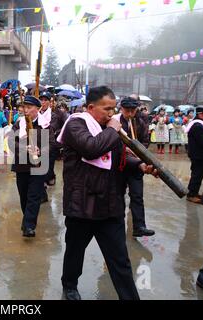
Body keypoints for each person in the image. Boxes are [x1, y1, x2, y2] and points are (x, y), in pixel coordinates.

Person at [58, 86, 158, 300]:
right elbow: (92, 148)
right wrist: (112, 130)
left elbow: (119, 157)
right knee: (75, 252)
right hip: (82, 205)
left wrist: (139, 165)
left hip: (110, 206)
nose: (112, 114)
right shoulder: (76, 124)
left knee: (120, 261)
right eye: (107, 109)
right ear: (91, 107)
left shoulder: (110, 129)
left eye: (114, 109)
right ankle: (69, 286)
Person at [113, 97, 155, 237]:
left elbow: (145, 141)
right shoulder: (115, 121)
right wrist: (124, 150)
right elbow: (111, 141)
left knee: (137, 196)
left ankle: (139, 226)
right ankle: (116, 225)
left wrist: (139, 150)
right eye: (127, 111)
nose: (130, 114)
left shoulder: (141, 123)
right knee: (118, 195)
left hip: (137, 165)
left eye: (133, 110)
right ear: (121, 109)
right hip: (120, 165)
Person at [8, 95, 48, 237]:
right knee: (24, 195)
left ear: (38, 109)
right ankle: (27, 219)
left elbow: (53, 144)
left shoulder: (45, 124)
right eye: (24, 107)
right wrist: (23, 148)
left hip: (39, 166)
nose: (26, 110)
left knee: (34, 196)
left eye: (29, 107)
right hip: (22, 165)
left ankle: (29, 226)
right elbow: (11, 141)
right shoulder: (19, 123)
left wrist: (40, 150)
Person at [185, 105, 203, 203]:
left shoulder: (200, 124)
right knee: (197, 174)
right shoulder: (198, 126)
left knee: (198, 174)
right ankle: (191, 195)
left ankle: (194, 192)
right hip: (197, 154)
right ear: (201, 114)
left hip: (199, 154)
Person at [38, 91, 55, 201]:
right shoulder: (36, 113)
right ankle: (43, 194)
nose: (43, 102)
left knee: (46, 170)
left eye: (45, 100)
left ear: (50, 102)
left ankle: (51, 177)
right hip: (37, 145)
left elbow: (58, 128)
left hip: (50, 145)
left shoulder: (54, 115)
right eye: (41, 100)